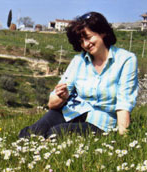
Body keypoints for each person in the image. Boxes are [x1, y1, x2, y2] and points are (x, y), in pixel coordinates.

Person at [19, 11, 139, 139]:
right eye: (81, 41)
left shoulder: (126, 60)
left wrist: (123, 139)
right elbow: (51, 104)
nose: (86, 44)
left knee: (56, 134)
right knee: (31, 133)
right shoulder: (78, 61)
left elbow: (124, 104)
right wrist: (62, 97)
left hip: (99, 121)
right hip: (71, 111)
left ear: (102, 32)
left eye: (88, 37)